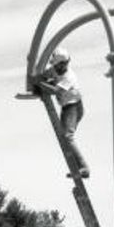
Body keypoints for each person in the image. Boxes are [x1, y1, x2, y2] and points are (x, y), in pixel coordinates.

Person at [38, 47, 90, 178]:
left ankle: (84, 167)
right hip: (66, 107)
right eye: (56, 65)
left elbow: (56, 91)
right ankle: (76, 167)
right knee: (64, 138)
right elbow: (44, 75)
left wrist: (40, 84)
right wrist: (39, 79)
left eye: (61, 65)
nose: (58, 68)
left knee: (67, 136)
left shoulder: (69, 77)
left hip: (74, 107)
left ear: (65, 63)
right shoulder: (54, 69)